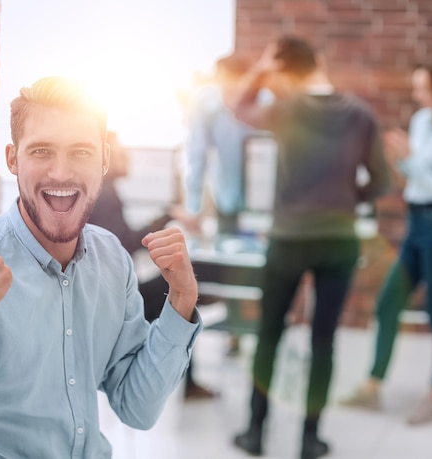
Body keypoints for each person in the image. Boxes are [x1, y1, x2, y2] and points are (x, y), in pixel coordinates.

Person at [0, 76, 201, 458]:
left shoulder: (112, 261)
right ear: (12, 159)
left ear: (104, 159)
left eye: (81, 152)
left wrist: (181, 302)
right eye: (41, 151)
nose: (61, 172)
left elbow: (136, 407)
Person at [230, 36, 391, 459]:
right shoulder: (360, 114)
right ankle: (310, 439)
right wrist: (345, 200)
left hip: (288, 240)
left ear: (284, 73)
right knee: (324, 340)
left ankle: (255, 433)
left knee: (269, 335)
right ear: (320, 62)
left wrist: (260, 69)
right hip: (338, 241)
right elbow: (382, 181)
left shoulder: (286, 110)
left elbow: (239, 107)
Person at [341, 61, 432, 425]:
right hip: (416, 224)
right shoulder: (420, 123)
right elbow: (412, 177)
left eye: (422, 87)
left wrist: (411, 159)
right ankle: (373, 386)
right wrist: (397, 160)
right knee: (388, 302)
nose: (416, 94)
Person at [88, 131, 215, 399]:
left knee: (182, 289)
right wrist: (167, 217)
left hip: (109, 293)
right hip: (113, 303)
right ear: (105, 158)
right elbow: (125, 242)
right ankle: (185, 381)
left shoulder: (105, 191)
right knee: (185, 288)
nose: (128, 158)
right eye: (121, 153)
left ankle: (184, 378)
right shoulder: (106, 193)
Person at [183, 53, 255, 235]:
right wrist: (193, 206)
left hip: (259, 197)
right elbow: (196, 152)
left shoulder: (261, 98)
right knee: (229, 245)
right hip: (225, 194)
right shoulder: (205, 100)